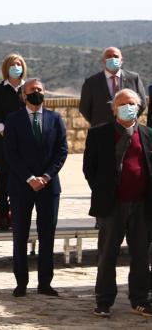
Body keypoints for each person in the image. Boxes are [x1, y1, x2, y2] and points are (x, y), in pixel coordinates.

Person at [83, 88, 152, 318]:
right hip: (112, 206)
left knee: (141, 255)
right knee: (107, 255)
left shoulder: (147, 134)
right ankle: (103, 301)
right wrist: (105, 191)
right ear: (114, 109)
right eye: (122, 103)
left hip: (142, 206)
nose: (128, 107)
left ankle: (140, 299)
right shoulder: (98, 134)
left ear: (139, 107)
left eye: (132, 103)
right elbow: (89, 169)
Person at [2, 79, 67, 297]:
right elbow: (10, 153)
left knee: (47, 235)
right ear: (23, 95)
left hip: (49, 187)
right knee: (20, 234)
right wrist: (30, 178)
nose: (36, 93)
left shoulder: (55, 118)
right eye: (32, 90)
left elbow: (62, 151)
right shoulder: (13, 120)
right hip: (21, 186)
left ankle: (45, 282)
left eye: (39, 90)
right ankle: (21, 282)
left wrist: (47, 176)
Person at [0, 53, 27, 229]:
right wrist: (10, 137)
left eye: (19, 64)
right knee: (4, 179)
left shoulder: (28, 89)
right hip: (3, 141)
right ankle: (3, 214)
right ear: (6, 68)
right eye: (12, 64)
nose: (16, 67)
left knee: (22, 178)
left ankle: (19, 214)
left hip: (25, 143)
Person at [79, 46, 146, 127]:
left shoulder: (134, 78)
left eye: (115, 56)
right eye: (109, 57)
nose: (113, 59)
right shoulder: (91, 82)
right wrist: (97, 122)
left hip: (128, 129)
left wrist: (129, 119)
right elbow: (84, 108)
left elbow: (142, 104)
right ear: (103, 61)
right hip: (102, 130)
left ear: (121, 60)